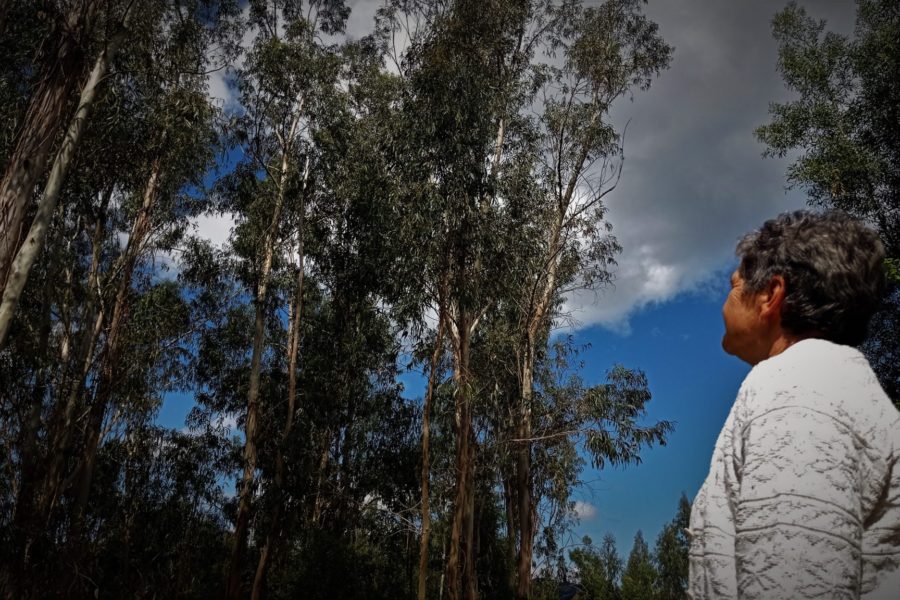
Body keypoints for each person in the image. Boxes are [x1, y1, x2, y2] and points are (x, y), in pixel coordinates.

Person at [687, 210, 900, 599]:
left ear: (770, 295)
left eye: (734, 286)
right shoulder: (826, 380)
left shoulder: (800, 385)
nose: (724, 304)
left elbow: (793, 580)